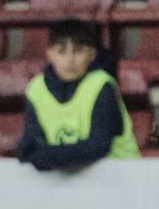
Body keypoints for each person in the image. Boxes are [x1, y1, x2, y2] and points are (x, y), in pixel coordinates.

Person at [18, 18, 138, 172]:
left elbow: (99, 145)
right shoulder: (36, 88)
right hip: (69, 182)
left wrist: (49, 156)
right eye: (61, 52)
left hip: (121, 176)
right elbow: (31, 141)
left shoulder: (101, 85)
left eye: (79, 51)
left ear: (92, 54)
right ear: (49, 54)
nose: (70, 60)